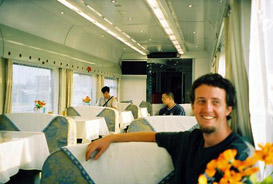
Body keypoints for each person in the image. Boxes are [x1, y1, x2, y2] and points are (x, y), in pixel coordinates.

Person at [86, 73, 253, 183]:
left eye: (216, 102)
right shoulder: (189, 140)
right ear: (193, 107)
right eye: (201, 101)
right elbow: (153, 136)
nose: (207, 109)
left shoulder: (240, 153)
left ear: (228, 109)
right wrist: (111, 138)